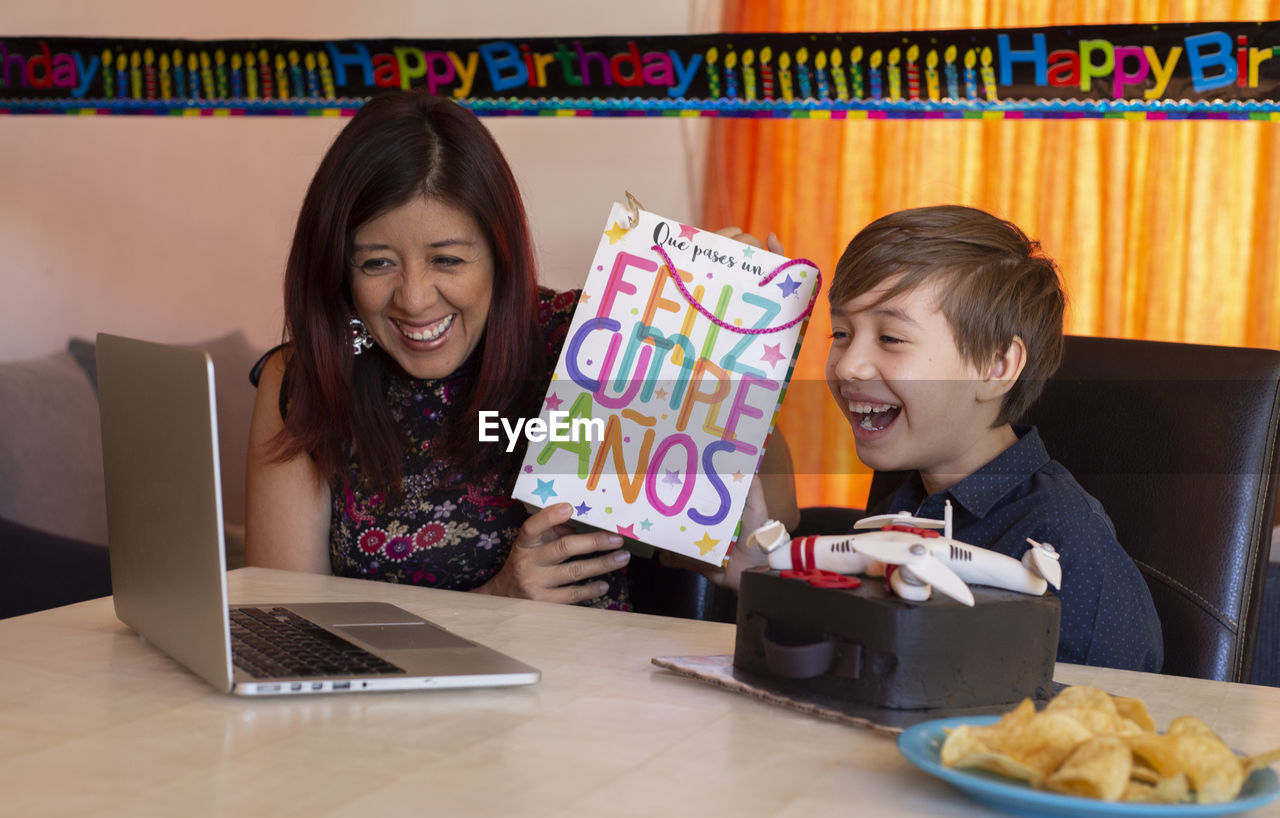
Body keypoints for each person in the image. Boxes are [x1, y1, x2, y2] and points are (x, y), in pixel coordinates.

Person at [246, 89, 795, 609]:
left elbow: (759, 529)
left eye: (448, 260)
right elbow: (288, 619)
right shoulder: (308, 377)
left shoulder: (586, 342)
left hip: (590, 694)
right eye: (377, 263)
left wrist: (724, 345)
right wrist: (497, 602)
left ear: (500, 258)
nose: (413, 299)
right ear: (340, 267)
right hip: (379, 703)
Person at [821, 204, 1162, 671]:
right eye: (840, 332)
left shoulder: (1065, 545)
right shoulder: (904, 499)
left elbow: (1093, 722)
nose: (847, 365)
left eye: (891, 338)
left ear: (996, 367)